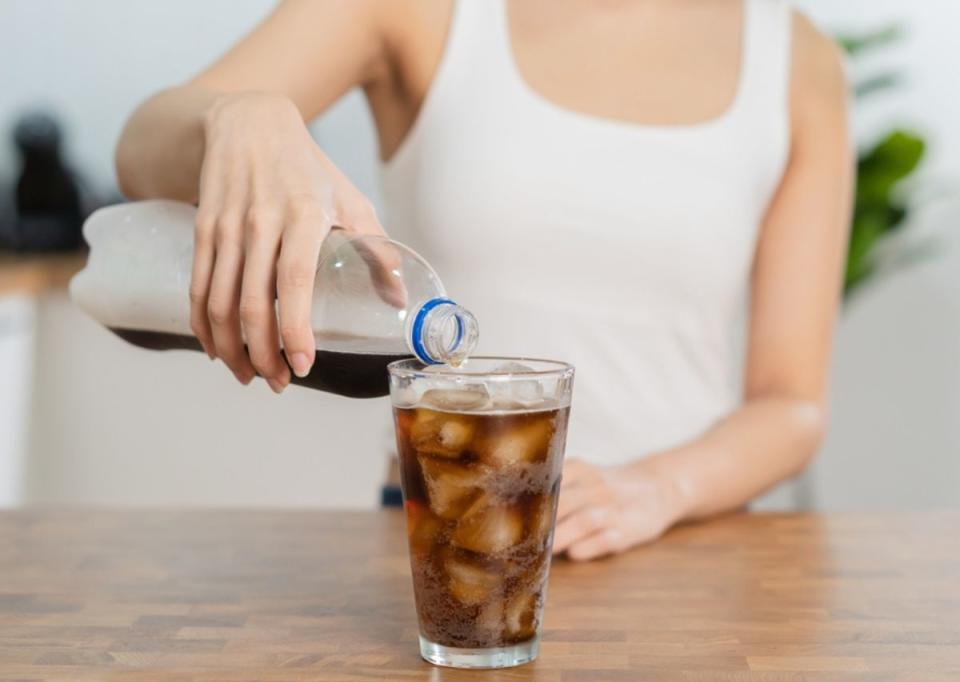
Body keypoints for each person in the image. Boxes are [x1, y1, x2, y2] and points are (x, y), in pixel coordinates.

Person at [115, 0, 852, 561]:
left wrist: (659, 487)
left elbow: (791, 402)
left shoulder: (796, 59)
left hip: (691, 555)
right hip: (446, 540)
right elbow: (140, 149)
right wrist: (240, 116)